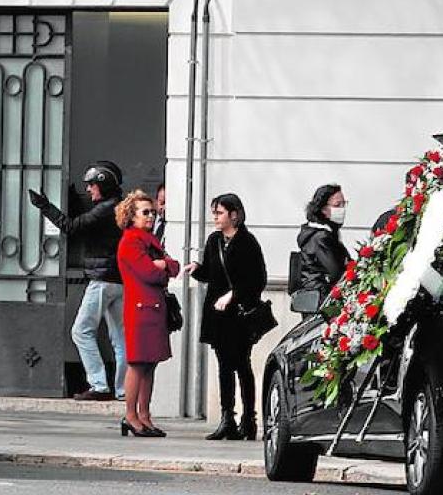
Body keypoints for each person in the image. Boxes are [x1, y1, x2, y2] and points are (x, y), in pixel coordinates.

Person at [28, 160, 126, 401]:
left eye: (92, 185)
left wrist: (45, 206)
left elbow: (71, 227)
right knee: (120, 338)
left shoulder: (105, 209)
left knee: (81, 331)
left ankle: (100, 385)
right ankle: (124, 389)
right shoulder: (116, 207)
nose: (89, 189)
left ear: (104, 184)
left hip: (102, 279)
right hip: (118, 280)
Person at [186, 192, 266, 441]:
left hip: (239, 315)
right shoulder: (214, 241)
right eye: (214, 213)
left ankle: (249, 420)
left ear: (234, 215)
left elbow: (257, 279)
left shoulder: (247, 242)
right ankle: (226, 418)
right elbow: (212, 273)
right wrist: (197, 270)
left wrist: (234, 295)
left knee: (242, 365)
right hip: (218, 315)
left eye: (219, 213)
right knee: (223, 366)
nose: (215, 218)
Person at [115, 189, 177, 439]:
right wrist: (162, 267)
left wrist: (162, 266)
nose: (151, 216)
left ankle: (145, 414)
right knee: (138, 364)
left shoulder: (150, 241)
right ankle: (131, 415)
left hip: (154, 309)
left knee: (150, 365)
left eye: (152, 212)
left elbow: (173, 265)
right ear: (131, 216)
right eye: (145, 212)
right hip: (140, 310)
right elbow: (149, 273)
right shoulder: (130, 241)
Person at [291, 183, 350, 303]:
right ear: (323, 209)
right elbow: (336, 272)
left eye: (344, 204)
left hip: (317, 296)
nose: (342, 209)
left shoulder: (323, 234)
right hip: (321, 298)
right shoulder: (321, 238)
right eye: (337, 205)